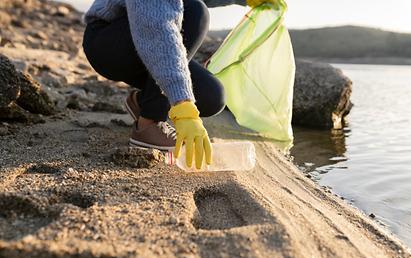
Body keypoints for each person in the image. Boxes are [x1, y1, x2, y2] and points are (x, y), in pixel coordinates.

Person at [82, 0, 273, 169]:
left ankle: (142, 102)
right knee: (195, 11)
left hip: (146, 37)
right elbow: (157, 26)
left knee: (211, 96)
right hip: (110, 41)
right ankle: (149, 123)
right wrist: (183, 106)